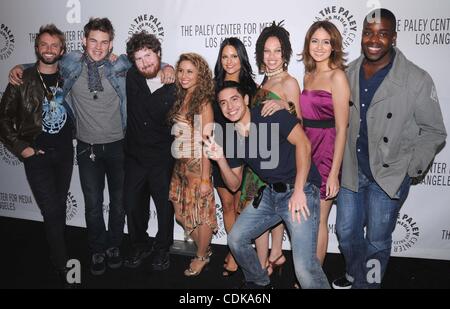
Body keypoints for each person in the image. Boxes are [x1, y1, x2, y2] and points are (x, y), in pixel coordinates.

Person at [8, 18, 174, 276]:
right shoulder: (71, 64)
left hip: (120, 146)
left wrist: (167, 67)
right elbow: (45, 63)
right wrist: (20, 66)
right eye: (93, 41)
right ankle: (97, 248)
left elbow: (146, 63)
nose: (98, 47)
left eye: (104, 42)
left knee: (119, 204)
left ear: (110, 45)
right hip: (87, 149)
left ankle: (115, 247)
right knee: (93, 204)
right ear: (84, 41)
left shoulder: (119, 65)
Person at [332, 8, 446, 289]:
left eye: (382, 34)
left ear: (394, 37)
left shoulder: (416, 79)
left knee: (378, 240)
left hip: (389, 174)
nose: (374, 39)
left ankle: (368, 284)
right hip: (352, 171)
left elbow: (434, 131)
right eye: (368, 33)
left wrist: (410, 168)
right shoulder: (346, 74)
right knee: (346, 232)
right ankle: (354, 272)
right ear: (360, 36)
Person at [205, 80, 329, 288]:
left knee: (304, 267)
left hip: (301, 188)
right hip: (271, 194)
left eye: (234, 99)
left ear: (245, 99)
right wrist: (220, 160)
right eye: (223, 103)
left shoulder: (268, 113)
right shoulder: (231, 138)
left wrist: (299, 191)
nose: (230, 107)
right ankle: (259, 282)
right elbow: (234, 184)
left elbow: (304, 144)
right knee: (235, 238)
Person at [0, 24, 75, 287]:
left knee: (58, 208)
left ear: (62, 50)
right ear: (37, 47)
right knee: (52, 209)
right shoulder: (22, 79)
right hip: (37, 156)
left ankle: (58, 251)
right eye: (44, 44)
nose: (49, 49)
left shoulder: (70, 76)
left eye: (54, 45)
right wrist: (23, 148)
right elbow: (3, 120)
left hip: (65, 154)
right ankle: (63, 263)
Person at [239, 22, 301, 276]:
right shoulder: (263, 81)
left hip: (278, 157)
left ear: (285, 54)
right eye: (267, 51)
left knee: (267, 208)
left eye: (277, 51)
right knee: (263, 210)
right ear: (260, 54)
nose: (272, 56)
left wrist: (286, 108)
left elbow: (299, 123)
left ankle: (266, 261)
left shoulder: (290, 82)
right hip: (259, 158)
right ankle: (272, 255)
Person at [122, 31, 176, 271]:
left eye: (149, 56)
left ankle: (163, 248)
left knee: (164, 207)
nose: (145, 63)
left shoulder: (175, 84)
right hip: (134, 156)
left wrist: (169, 68)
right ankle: (139, 245)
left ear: (159, 53)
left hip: (162, 158)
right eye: (139, 58)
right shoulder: (131, 75)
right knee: (132, 204)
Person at [299, 21, 350, 265]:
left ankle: (314, 278)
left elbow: (342, 129)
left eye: (326, 41)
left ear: (334, 46)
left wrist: (333, 174)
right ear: (308, 44)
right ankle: (306, 271)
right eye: (315, 41)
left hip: (327, 151)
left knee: (320, 218)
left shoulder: (337, 76)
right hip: (306, 149)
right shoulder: (308, 75)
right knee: (307, 218)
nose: (319, 47)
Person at [168, 53, 217, 277]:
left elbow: (208, 142)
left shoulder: (203, 102)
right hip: (180, 167)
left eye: (190, 71)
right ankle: (205, 249)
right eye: (181, 71)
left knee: (200, 215)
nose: (184, 75)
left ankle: (201, 255)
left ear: (200, 75)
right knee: (181, 214)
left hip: (198, 168)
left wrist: (206, 179)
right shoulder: (184, 96)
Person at [212, 37, 257, 276]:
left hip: (245, 151)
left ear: (242, 58)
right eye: (225, 56)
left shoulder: (251, 88)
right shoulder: (213, 86)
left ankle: (239, 249)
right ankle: (236, 252)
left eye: (234, 56)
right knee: (227, 204)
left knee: (242, 206)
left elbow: (259, 120)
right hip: (220, 151)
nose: (229, 61)